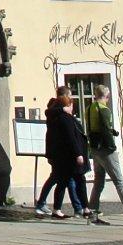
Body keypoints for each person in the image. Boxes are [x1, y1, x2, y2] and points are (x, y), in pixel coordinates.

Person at [85, 85, 123, 225]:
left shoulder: (89, 109)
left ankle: (92, 214)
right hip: (107, 150)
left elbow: (92, 128)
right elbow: (105, 130)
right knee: (119, 182)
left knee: (98, 182)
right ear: (107, 96)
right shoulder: (104, 110)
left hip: (95, 149)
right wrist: (112, 147)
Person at [35, 91, 88, 219]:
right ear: (66, 104)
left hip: (60, 156)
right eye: (71, 103)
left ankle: (70, 208)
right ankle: (80, 208)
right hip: (67, 157)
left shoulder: (57, 117)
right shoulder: (64, 118)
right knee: (72, 181)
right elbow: (71, 138)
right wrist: (78, 154)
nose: (72, 107)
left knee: (63, 181)